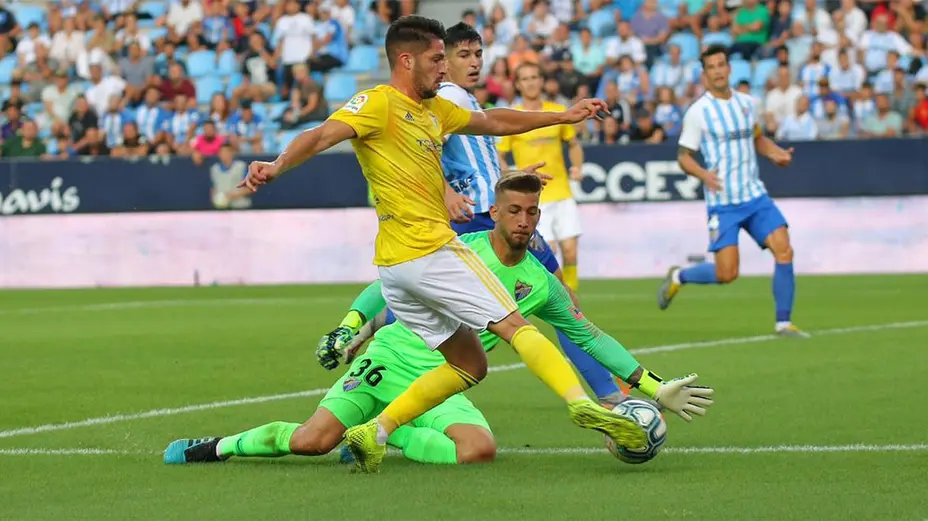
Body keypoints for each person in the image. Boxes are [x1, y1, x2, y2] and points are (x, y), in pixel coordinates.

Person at [237, 16, 649, 474]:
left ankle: (377, 428)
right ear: (406, 60)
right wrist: (277, 165)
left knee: (470, 362)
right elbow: (319, 135)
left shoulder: (435, 109)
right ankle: (581, 403)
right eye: (437, 58)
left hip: (397, 266)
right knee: (516, 325)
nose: (444, 67)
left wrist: (561, 115)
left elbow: (494, 121)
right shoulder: (377, 103)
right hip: (427, 249)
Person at [163, 173, 714, 466]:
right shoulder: (458, 249)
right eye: (513, 211)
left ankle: (387, 433)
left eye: (531, 213)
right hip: (392, 356)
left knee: (479, 450)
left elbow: (590, 336)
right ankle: (217, 446)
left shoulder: (542, 285)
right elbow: (387, 284)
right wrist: (353, 325)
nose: (523, 221)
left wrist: (651, 385)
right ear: (495, 212)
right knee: (311, 442)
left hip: (448, 377)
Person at [320, 22, 631, 409]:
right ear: (441, 61)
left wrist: (512, 178)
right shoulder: (445, 97)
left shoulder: (463, 99)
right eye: (462, 55)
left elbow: (482, 147)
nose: (474, 62)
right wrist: (447, 192)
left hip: (493, 208)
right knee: (554, 303)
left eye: (479, 54)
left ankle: (366, 332)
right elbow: (422, 151)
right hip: (481, 217)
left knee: (528, 302)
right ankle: (608, 396)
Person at [659, 45, 808, 338]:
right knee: (727, 273)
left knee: (784, 249)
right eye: (711, 67)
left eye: (721, 65)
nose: (717, 71)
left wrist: (775, 153)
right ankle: (680, 275)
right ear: (704, 75)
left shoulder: (747, 103)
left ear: (729, 69)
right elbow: (684, 157)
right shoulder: (698, 112)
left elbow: (757, 138)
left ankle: (784, 323)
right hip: (723, 203)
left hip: (754, 197)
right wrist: (704, 175)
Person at [497, 62, 584, 294]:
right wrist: (511, 176)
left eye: (535, 77)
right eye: (525, 79)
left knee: (571, 252)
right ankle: (545, 298)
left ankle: (570, 299)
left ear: (542, 81)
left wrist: (577, 166)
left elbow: (574, 144)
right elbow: (500, 155)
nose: (531, 83)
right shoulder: (513, 115)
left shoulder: (557, 111)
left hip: (562, 191)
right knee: (548, 252)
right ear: (518, 84)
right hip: (533, 198)